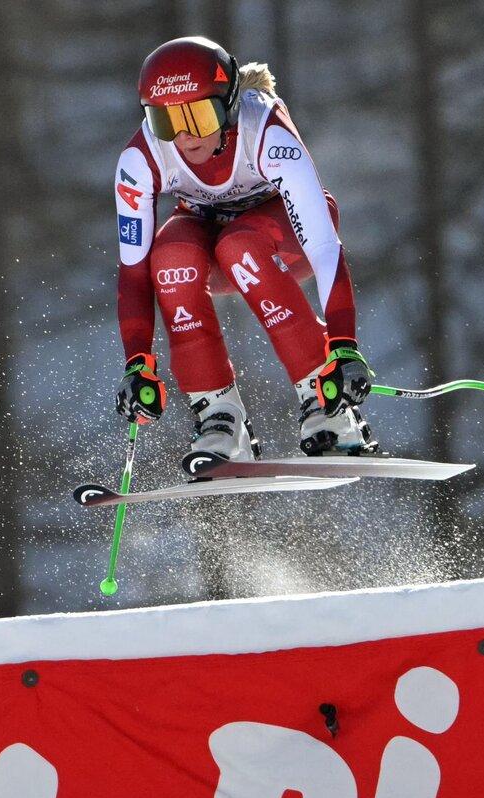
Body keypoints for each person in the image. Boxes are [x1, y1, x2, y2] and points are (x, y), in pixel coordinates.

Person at [113, 36, 377, 472]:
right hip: (215, 249)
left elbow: (324, 248)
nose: (183, 136)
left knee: (240, 247)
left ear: (229, 105)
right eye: (165, 121)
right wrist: (137, 361)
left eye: (198, 116)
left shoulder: (264, 129)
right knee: (170, 259)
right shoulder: (140, 158)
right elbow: (133, 270)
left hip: (284, 242)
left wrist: (344, 347)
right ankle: (219, 417)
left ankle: (325, 403)